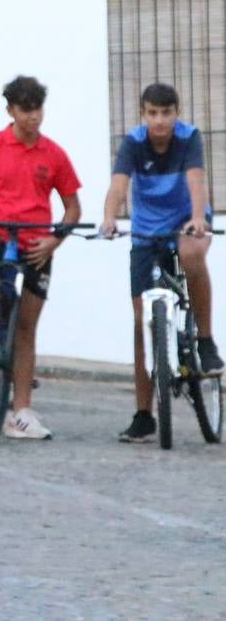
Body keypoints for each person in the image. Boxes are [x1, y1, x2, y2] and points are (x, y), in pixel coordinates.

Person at [0, 75, 81, 441]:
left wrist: (55, 240)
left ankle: (21, 411)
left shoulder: (54, 153)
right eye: (25, 109)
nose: (33, 117)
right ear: (10, 110)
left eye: (38, 108)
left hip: (37, 242)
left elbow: (72, 207)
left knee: (26, 324)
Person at [100, 82, 220, 444]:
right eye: (153, 113)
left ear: (176, 112)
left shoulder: (189, 138)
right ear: (143, 114)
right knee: (141, 322)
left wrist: (198, 217)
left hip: (185, 219)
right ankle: (143, 415)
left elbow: (196, 181)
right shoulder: (134, 143)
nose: (160, 121)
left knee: (192, 254)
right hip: (146, 230)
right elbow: (119, 186)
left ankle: (204, 340)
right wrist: (109, 217)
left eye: (167, 113)